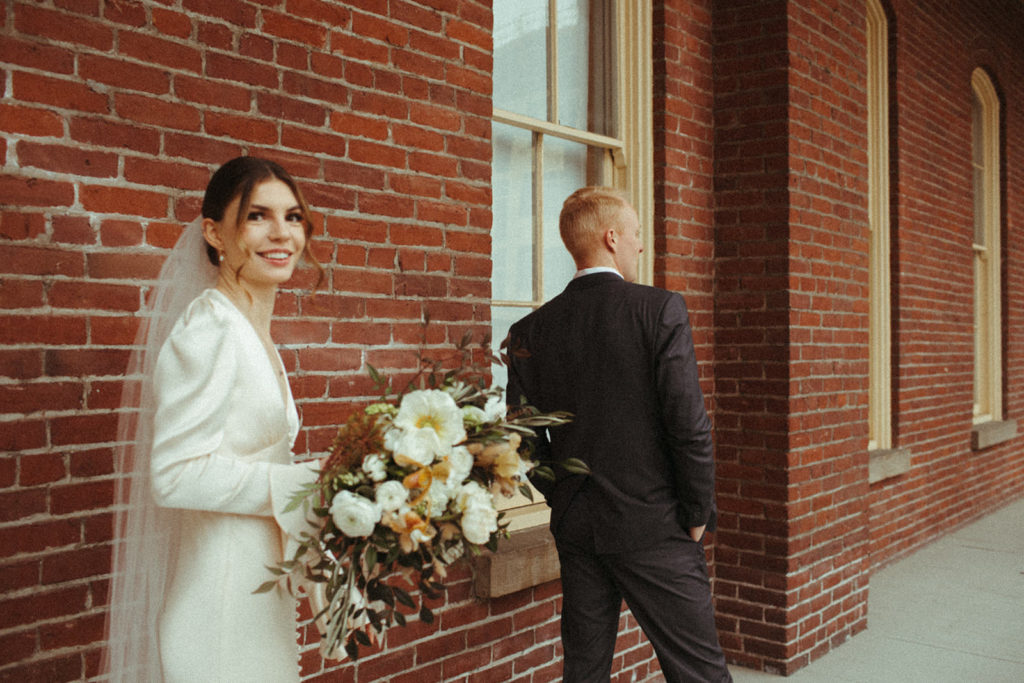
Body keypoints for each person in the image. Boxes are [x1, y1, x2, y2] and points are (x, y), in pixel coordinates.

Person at [104, 157, 326, 682]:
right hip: (218, 603)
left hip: (257, 591)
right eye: (257, 216)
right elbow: (175, 474)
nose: (281, 234)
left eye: (293, 217)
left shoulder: (249, 330)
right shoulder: (208, 330)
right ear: (214, 233)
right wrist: (296, 483)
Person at [505, 187, 732, 682]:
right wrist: (696, 513)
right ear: (611, 238)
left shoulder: (529, 330)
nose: (640, 246)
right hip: (656, 524)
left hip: (577, 526)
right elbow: (689, 426)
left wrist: (565, 495)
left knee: (584, 672)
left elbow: (522, 441)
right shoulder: (659, 310)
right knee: (700, 673)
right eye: (635, 235)